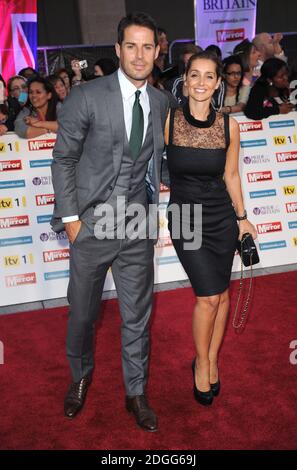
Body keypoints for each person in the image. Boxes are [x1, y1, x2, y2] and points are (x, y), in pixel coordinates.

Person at [51, 12, 168, 432]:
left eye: (147, 46)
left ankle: (135, 392)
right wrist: (71, 221)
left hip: (137, 221)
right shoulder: (86, 97)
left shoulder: (160, 101)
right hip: (91, 223)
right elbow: (63, 158)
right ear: (118, 50)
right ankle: (79, 377)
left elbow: (163, 162)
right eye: (131, 46)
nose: (139, 55)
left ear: (157, 51)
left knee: (137, 314)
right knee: (82, 313)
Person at [165, 52, 257, 406]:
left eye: (208, 77)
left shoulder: (228, 126)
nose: (201, 83)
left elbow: (231, 176)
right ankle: (201, 363)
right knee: (207, 297)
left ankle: (213, 358)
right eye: (194, 76)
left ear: (218, 83)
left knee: (221, 295)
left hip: (220, 217)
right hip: (186, 216)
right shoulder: (169, 121)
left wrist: (242, 217)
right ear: (185, 80)